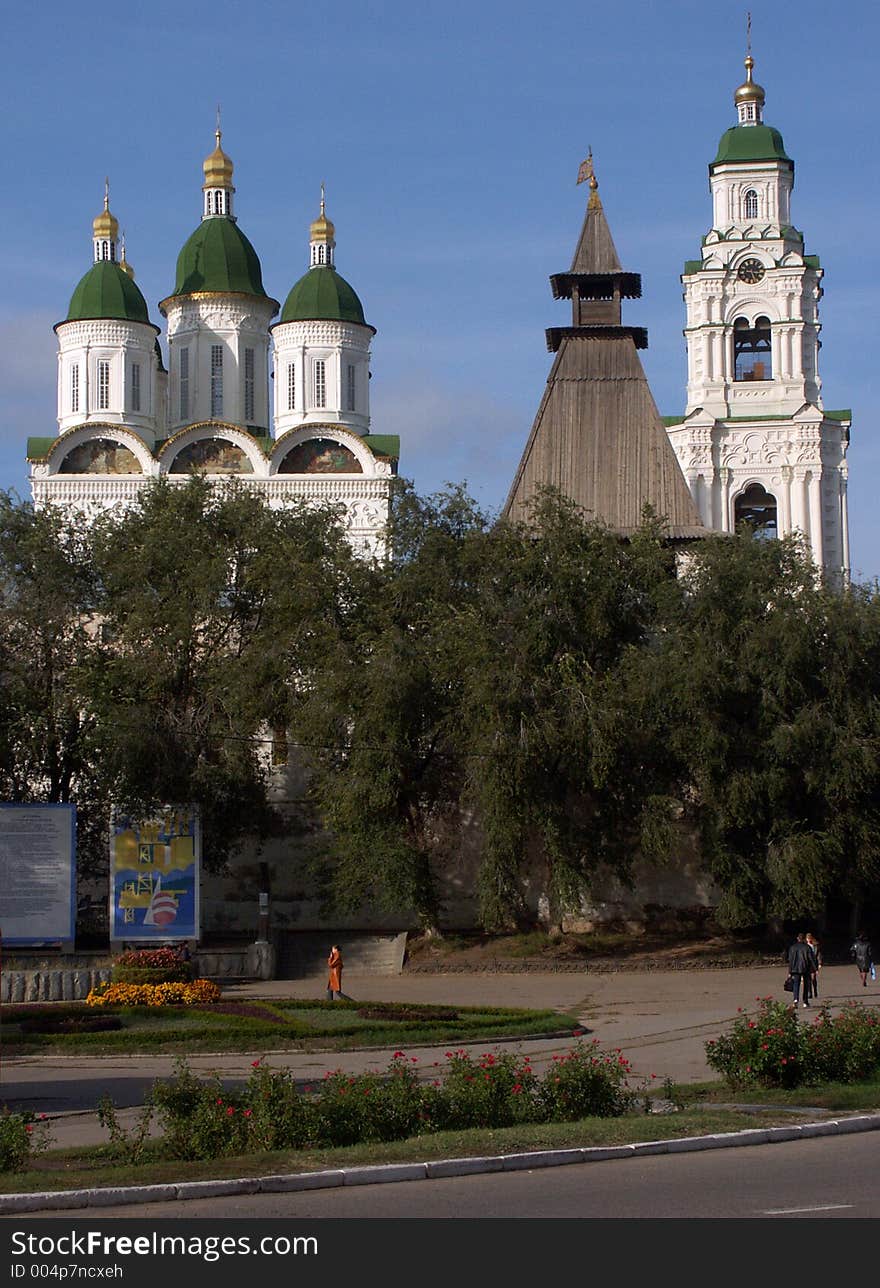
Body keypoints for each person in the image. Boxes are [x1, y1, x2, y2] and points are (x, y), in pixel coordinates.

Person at [786, 932, 815, 1010]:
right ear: (804, 939)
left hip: (795, 968)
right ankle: (805, 1001)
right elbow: (811, 959)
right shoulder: (807, 947)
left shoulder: (792, 947)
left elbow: (790, 960)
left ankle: (796, 999)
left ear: (797, 938)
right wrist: (814, 969)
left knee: (796, 984)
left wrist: (790, 971)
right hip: (805, 968)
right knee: (806, 985)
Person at [805, 932, 821, 1000]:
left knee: (813, 978)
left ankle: (815, 990)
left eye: (809, 938)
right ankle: (809, 992)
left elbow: (819, 955)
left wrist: (820, 963)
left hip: (814, 963)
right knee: (808, 979)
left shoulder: (815, 945)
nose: (809, 940)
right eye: (807, 938)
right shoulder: (805, 946)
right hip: (807, 963)